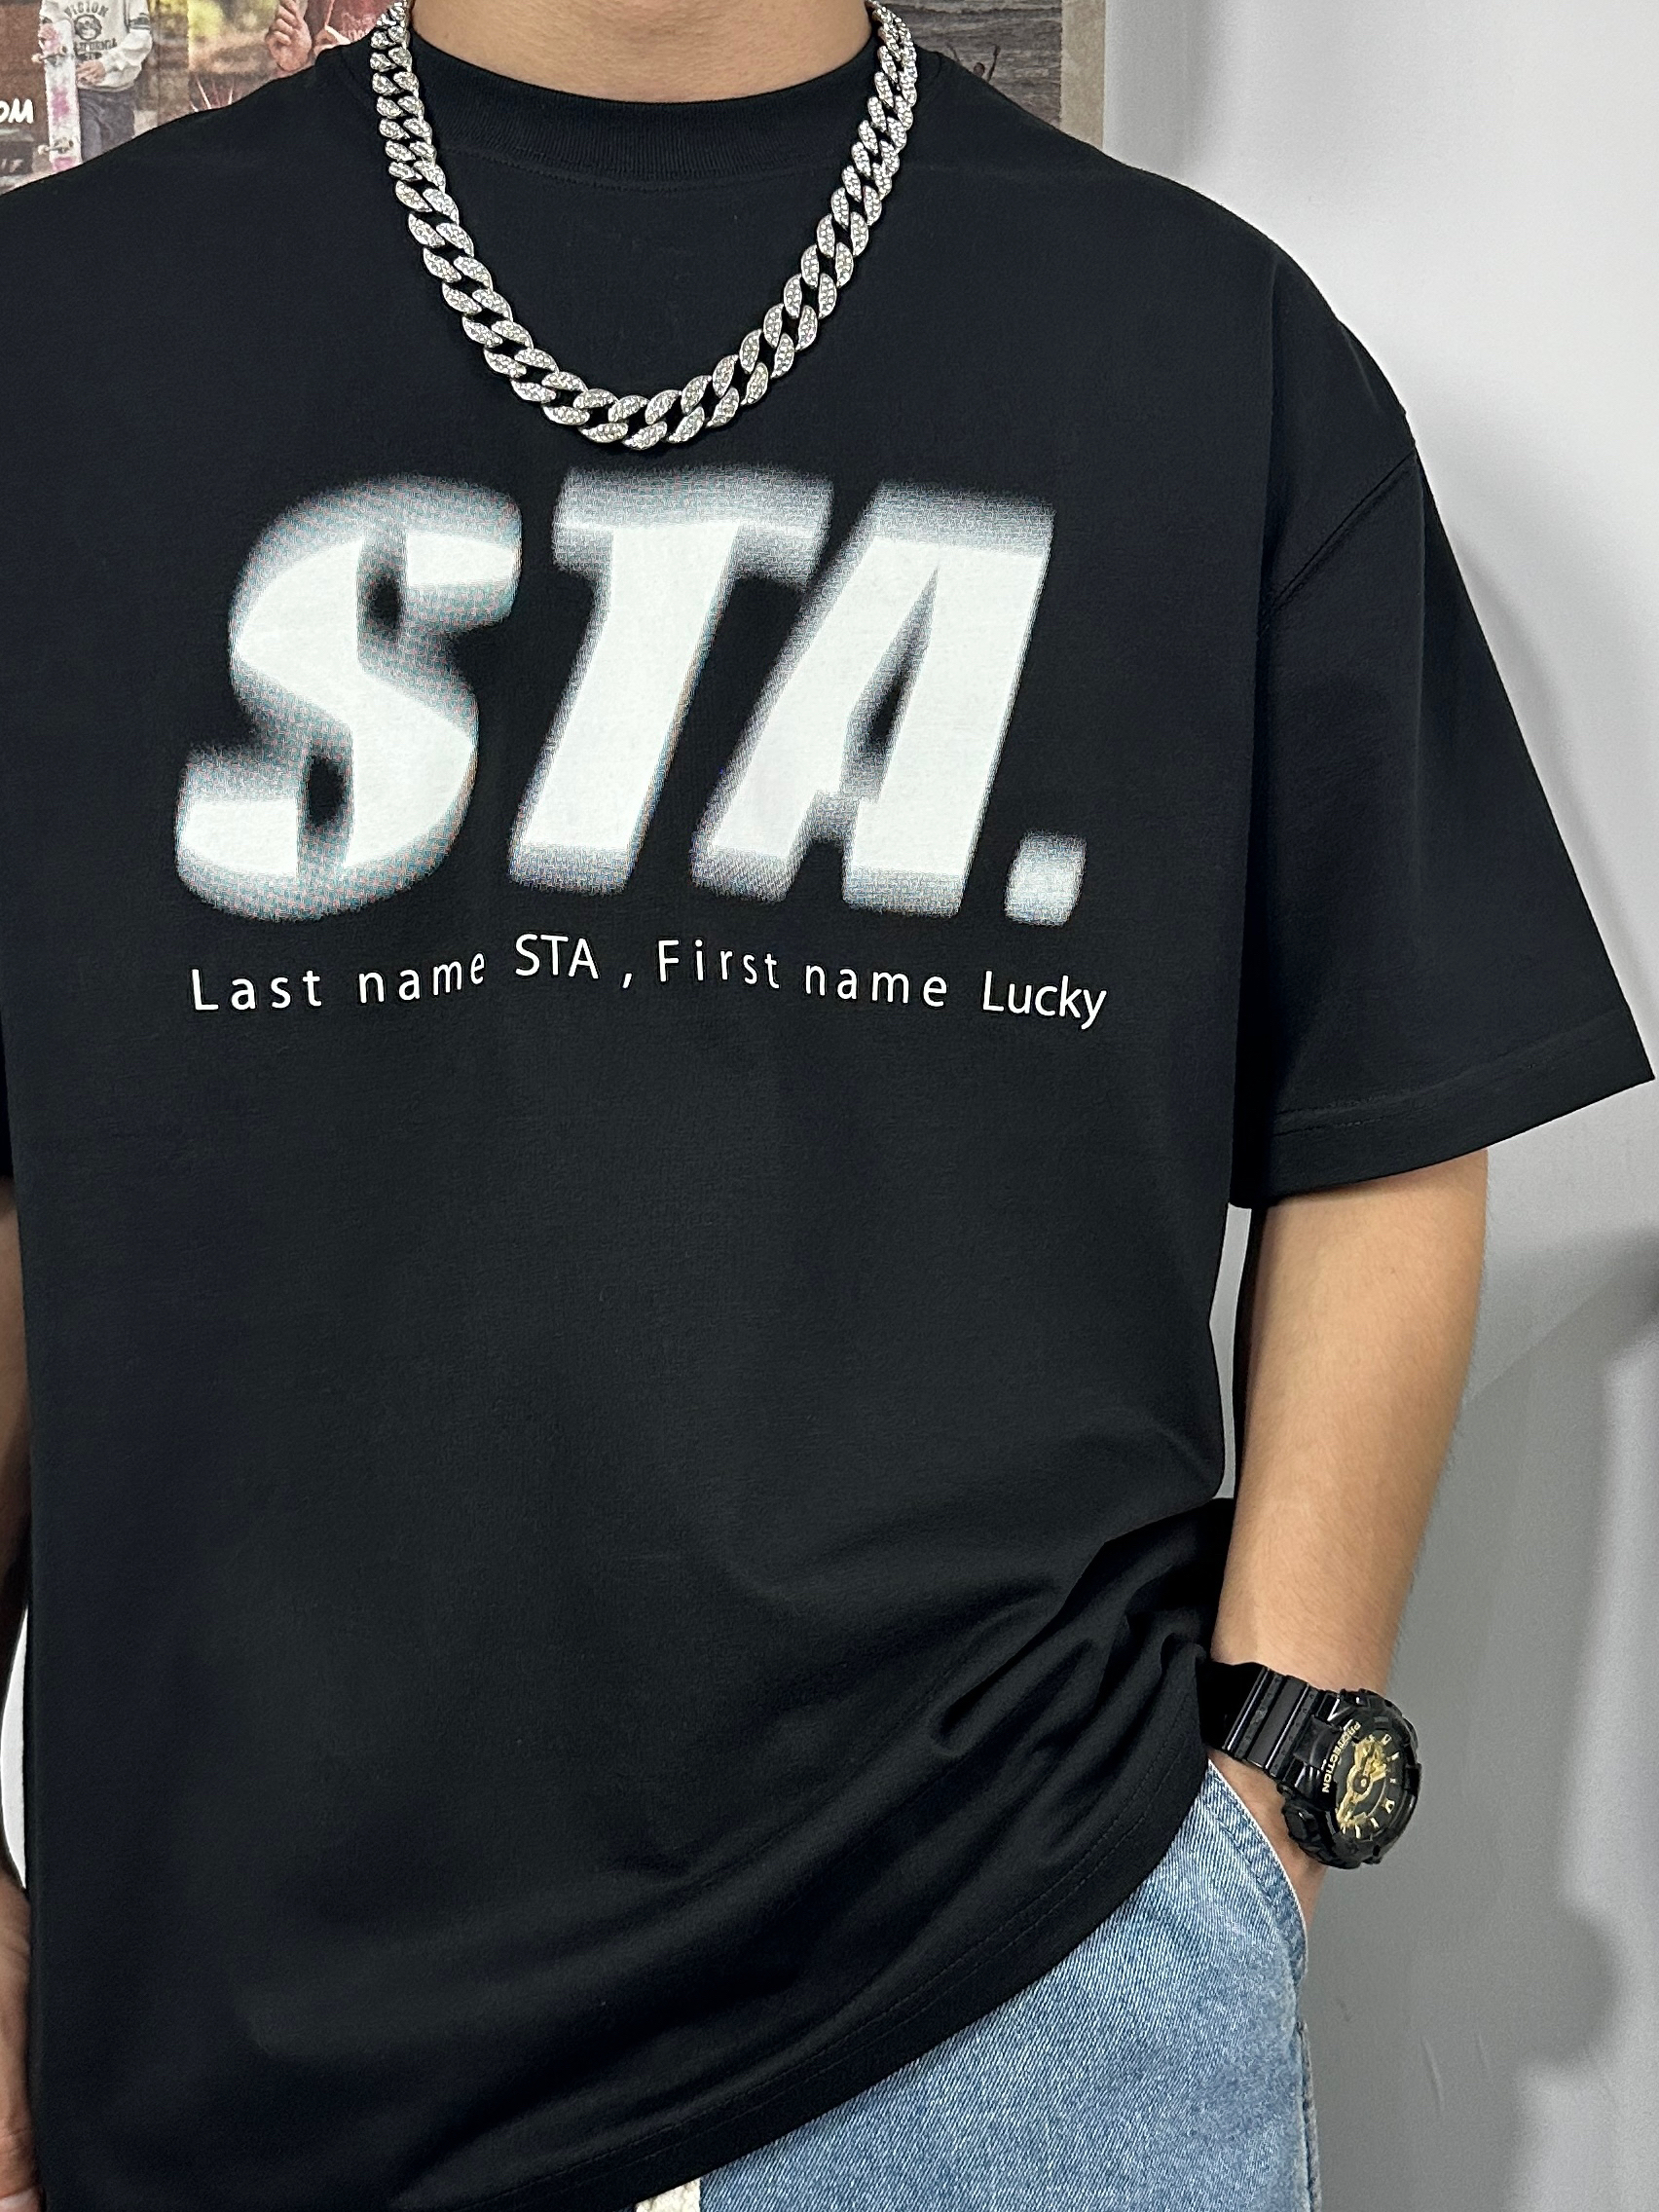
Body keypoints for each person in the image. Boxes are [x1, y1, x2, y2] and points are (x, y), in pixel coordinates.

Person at [0, 2, 1647, 2208]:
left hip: (1022, 2007)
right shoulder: (62, 343)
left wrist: (1273, 1780)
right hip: (251, 2043)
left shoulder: (1203, 351)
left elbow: (1386, 1108)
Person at [43, 0, 150, 157]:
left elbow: (141, 37)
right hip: (81, 94)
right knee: (90, 155)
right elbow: (51, 28)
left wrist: (107, 64)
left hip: (120, 94)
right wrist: (48, 35)